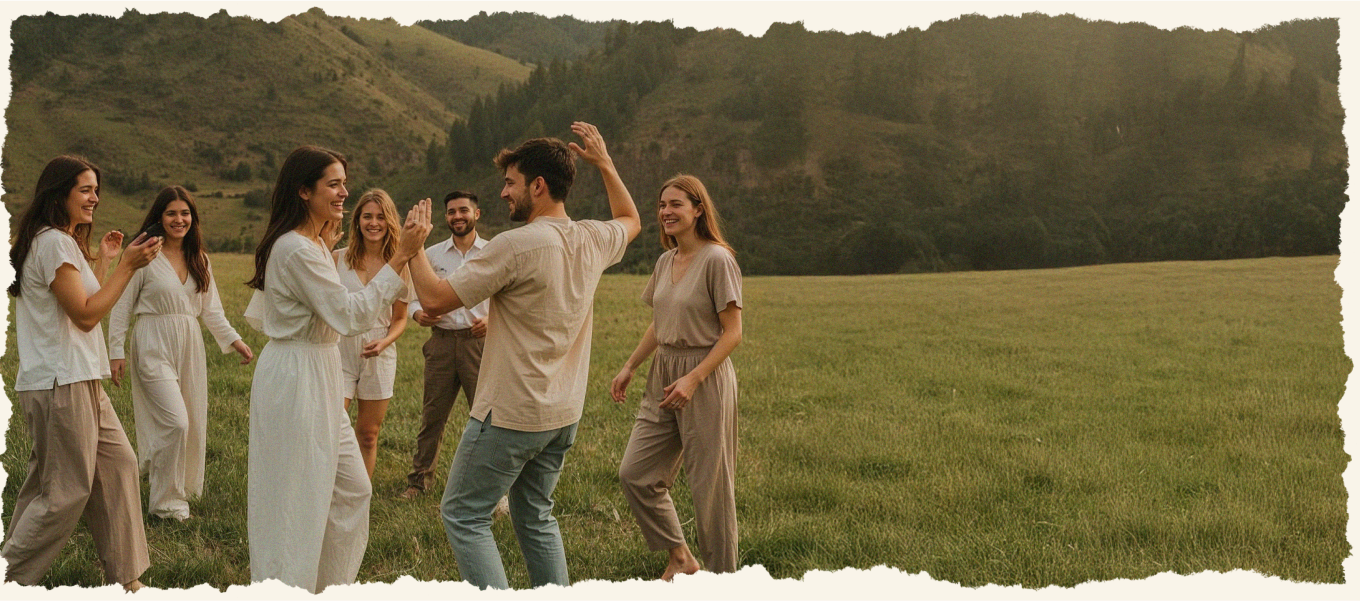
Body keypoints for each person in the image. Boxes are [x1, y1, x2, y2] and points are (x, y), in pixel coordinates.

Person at [399, 121, 641, 589]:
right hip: (563, 413)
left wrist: (413, 248)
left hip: (510, 413)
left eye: (510, 183)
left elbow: (433, 300)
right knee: (535, 515)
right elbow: (631, 219)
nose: (504, 193)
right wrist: (606, 164)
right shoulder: (592, 237)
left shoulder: (515, 244)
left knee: (463, 514)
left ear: (538, 185)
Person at [242, 146, 424, 593]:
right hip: (297, 374)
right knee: (295, 497)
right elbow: (348, 314)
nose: (345, 192)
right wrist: (401, 255)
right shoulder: (294, 249)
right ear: (305, 191)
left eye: (345, 183)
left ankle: (327, 586)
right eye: (334, 184)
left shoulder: (313, 245)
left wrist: (326, 238)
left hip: (322, 368)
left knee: (353, 489)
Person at [3, 155, 162, 590]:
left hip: (79, 378)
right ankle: (8, 582)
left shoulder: (60, 242)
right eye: (85, 190)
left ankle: (126, 580)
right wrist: (128, 266)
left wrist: (106, 262)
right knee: (64, 493)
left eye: (96, 190)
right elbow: (86, 315)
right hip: (61, 382)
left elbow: (83, 298)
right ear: (60, 194)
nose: (95, 198)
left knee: (118, 465)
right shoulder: (53, 242)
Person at [611, 174, 744, 580]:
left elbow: (733, 332)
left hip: (704, 376)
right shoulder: (665, 261)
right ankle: (682, 558)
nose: (666, 212)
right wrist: (630, 365)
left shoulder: (717, 259)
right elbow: (660, 323)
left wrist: (694, 379)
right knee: (636, 473)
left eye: (676, 204)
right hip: (663, 372)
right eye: (662, 205)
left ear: (698, 210)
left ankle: (723, 580)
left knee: (709, 490)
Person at [108, 185, 254, 522]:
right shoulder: (144, 255)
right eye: (171, 213)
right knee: (175, 422)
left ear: (193, 218)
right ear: (159, 217)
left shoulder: (199, 259)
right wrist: (115, 351)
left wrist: (234, 341)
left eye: (185, 213)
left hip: (189, 345)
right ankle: (165, 505)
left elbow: (212, 311)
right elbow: (121, 306)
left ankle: (175, 482)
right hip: (152, 342)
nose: (179, 219)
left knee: (190, 422)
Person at [398, 190, 492, 501]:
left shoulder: (493, 252)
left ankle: (491, 487)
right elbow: (412, 295)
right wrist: (417, 313)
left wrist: (492, 320)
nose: (457, 216)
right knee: (432, 416)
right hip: (440, 343)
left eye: (463, 210)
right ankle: (418, 482)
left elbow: (508, 299)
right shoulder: (432, 254)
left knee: (487, 417)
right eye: (451, 212)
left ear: (476, 214)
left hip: (479, 344)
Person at [332, 189, 414, 480]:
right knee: (332, 424)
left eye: (380, 217)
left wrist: (385, 342)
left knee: (368, 434)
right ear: (357, 220)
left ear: (390, 221)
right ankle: (329, 489)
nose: (374, 223)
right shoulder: (337, 258)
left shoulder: (400, 266)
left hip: (379, 352)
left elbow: (400, 318)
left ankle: (360, 494)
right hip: (340, 349)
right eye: (367, 216)